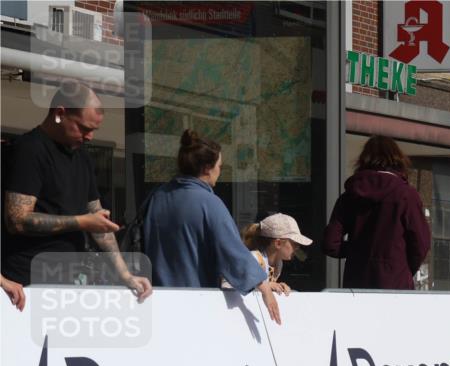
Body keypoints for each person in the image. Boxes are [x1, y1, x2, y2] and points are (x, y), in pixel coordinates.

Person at [1, 82, 151, 301]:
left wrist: (125, 274)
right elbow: (16, 220)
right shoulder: (30, 150)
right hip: (26, 285)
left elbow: (99, 223)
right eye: (84, 128)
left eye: (93, 130)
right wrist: (83, 222)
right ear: (60, 114)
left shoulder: (82, 157)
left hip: (68, 283)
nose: (89, 136)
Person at [143, 129, 281, 324]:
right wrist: (264, 287)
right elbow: (233, 252)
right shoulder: (209, 203)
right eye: (220, 167)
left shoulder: (157, 197)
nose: (219, 172)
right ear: (208, 168)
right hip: (194, 306)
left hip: (153, 303)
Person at [324, 135, 430, 290]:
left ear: (364, 160)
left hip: (357, 282)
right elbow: (421, 243)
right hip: (395, 284)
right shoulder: (406, 195)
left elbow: (330, 244)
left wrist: (358, 251)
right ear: (397, 160)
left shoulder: (350, 195)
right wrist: (403, 267)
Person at [240, 213, 313, 295]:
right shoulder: (254, 259)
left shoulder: (278, 264)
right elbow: (233, 288)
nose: (297, 247)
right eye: (294, 243)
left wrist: (278, 287)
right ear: (278, 243)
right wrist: (267, 286)